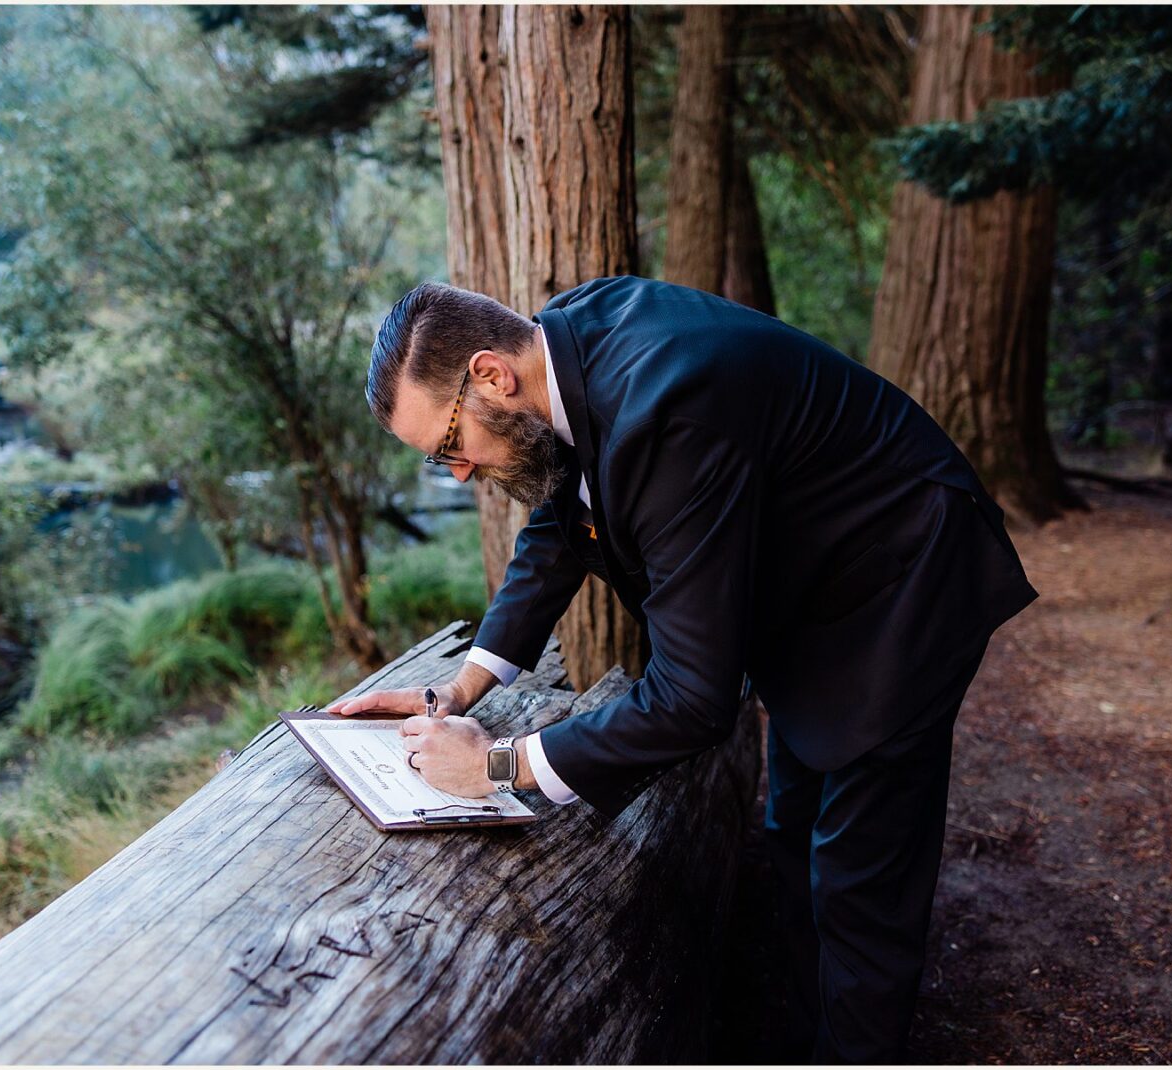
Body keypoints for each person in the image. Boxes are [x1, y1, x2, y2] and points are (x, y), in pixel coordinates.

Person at [326, 275, 1039, 1062]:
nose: (458, 472)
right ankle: (805, 1034)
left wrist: (496, 765)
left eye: (450, 444)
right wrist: (455, 689)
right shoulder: (561, 344)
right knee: (794, 835)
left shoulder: (670, 408)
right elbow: (559, 528)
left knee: (861, 885)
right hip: (811, 590)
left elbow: (694, 700)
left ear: (491, 374)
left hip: (904, 578)